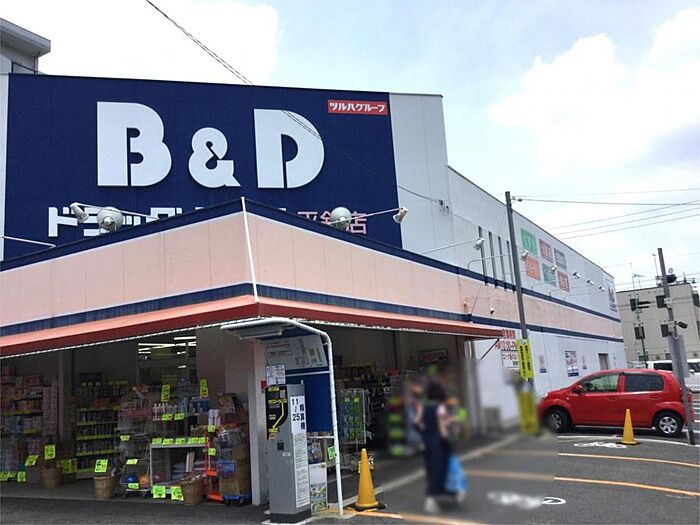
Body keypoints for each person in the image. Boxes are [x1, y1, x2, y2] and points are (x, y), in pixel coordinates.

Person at [414, 381, 455, 513]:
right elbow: (443, 428)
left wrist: (424, 433)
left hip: (426, 442)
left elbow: (416, 422)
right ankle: (431, 500)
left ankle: (436, 496)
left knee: (430, 470)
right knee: (439, 469)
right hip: (438, 443)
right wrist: (447, 441)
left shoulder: (423, 407)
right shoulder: (440, 408)